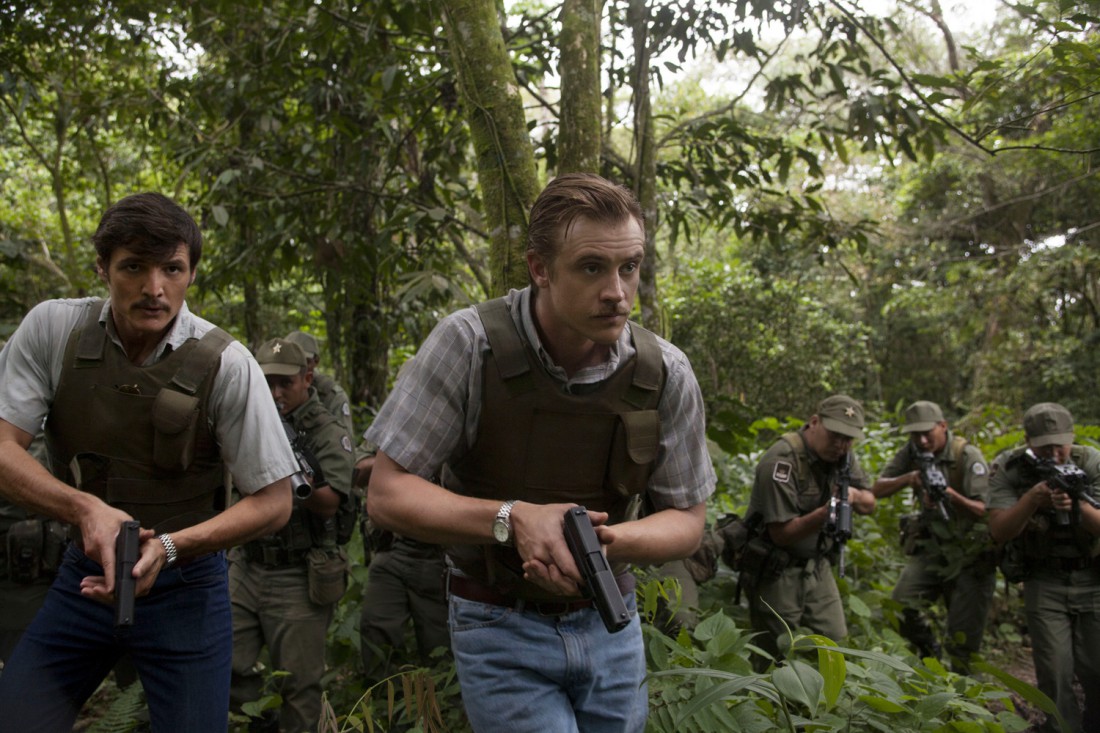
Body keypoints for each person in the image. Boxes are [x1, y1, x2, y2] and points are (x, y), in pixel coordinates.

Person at [365, 173, 715, 732]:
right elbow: (387, 494)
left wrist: (598, 544)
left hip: (611, 617)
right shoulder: (469, 345)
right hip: (497, 616)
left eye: (629, 267)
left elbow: (687, 520)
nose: (617, 292)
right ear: (540, 269)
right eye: (591, 267)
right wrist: (514, 519)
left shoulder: (662, 371)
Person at [0, 192, 298, 731]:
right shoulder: (54, 332)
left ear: (191, 273)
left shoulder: (227, 365)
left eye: (172, 269)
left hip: (186, 586)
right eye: (134, 267)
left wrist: (170, 547)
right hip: (85, 575)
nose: (154, 288)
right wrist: (85, 510)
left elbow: (275, 502)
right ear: (103, 268)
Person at [230, 338, 355, 733]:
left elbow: (330, 501)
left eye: (285, 383)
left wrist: (288, 474)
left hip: (297, 573)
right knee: (225, 665)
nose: (276, 393)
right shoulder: (247, 420)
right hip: (246, 563)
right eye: (268, 383)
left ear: (307, 379)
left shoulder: (326, 429)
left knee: (300, 686)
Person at [988, 402, 1100, 733]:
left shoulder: (1091, 462)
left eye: (1059, 445)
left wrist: (1076, 503)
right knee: (1054, 671)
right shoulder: (1010, 468)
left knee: (1095, 667)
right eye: (1044, 446)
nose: (1053, 453)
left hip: (1092, 577)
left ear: (1072, 437)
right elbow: (999, 530)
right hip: (1043, 579)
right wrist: (1032, 499)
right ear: (1027, 441)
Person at [742, 394, 876, 665]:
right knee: (777, 656)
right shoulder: (781, 460)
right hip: (776, 568)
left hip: (817, 565)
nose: (840, 445)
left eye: (848, 439)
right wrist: (825, 514)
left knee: (835, 648)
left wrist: (853, 497)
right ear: (814, 422)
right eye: (834, 435)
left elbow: (870, 502)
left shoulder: (843, 456)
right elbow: (781, 534)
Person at [871, 400, 995, 669]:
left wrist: (949, 495)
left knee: (963, 637)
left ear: (943, 426)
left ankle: (964, 686)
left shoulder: (966, 456)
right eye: (915, 435)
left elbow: (985, 511)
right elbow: (876, 489)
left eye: (927, 433)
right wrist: (909, 479)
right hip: (931, 548)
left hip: (969, 554)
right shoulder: (912, 451)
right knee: (899, 607)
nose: (922, 440)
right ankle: (929, 651)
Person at [354, 441, 450, 685]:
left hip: (441, 555)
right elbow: (358, 470)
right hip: (393, 547)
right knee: (375, 633)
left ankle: (439, 705)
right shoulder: (398, 428)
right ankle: (386, 700)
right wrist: (398, 462)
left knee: (441, 652)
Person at [284, 330, 355, 439]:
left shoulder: (332, 395)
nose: (296, 367)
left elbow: (344, 440)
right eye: (289, 360)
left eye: (304, 361)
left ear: (316, 361)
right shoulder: (274, 387)